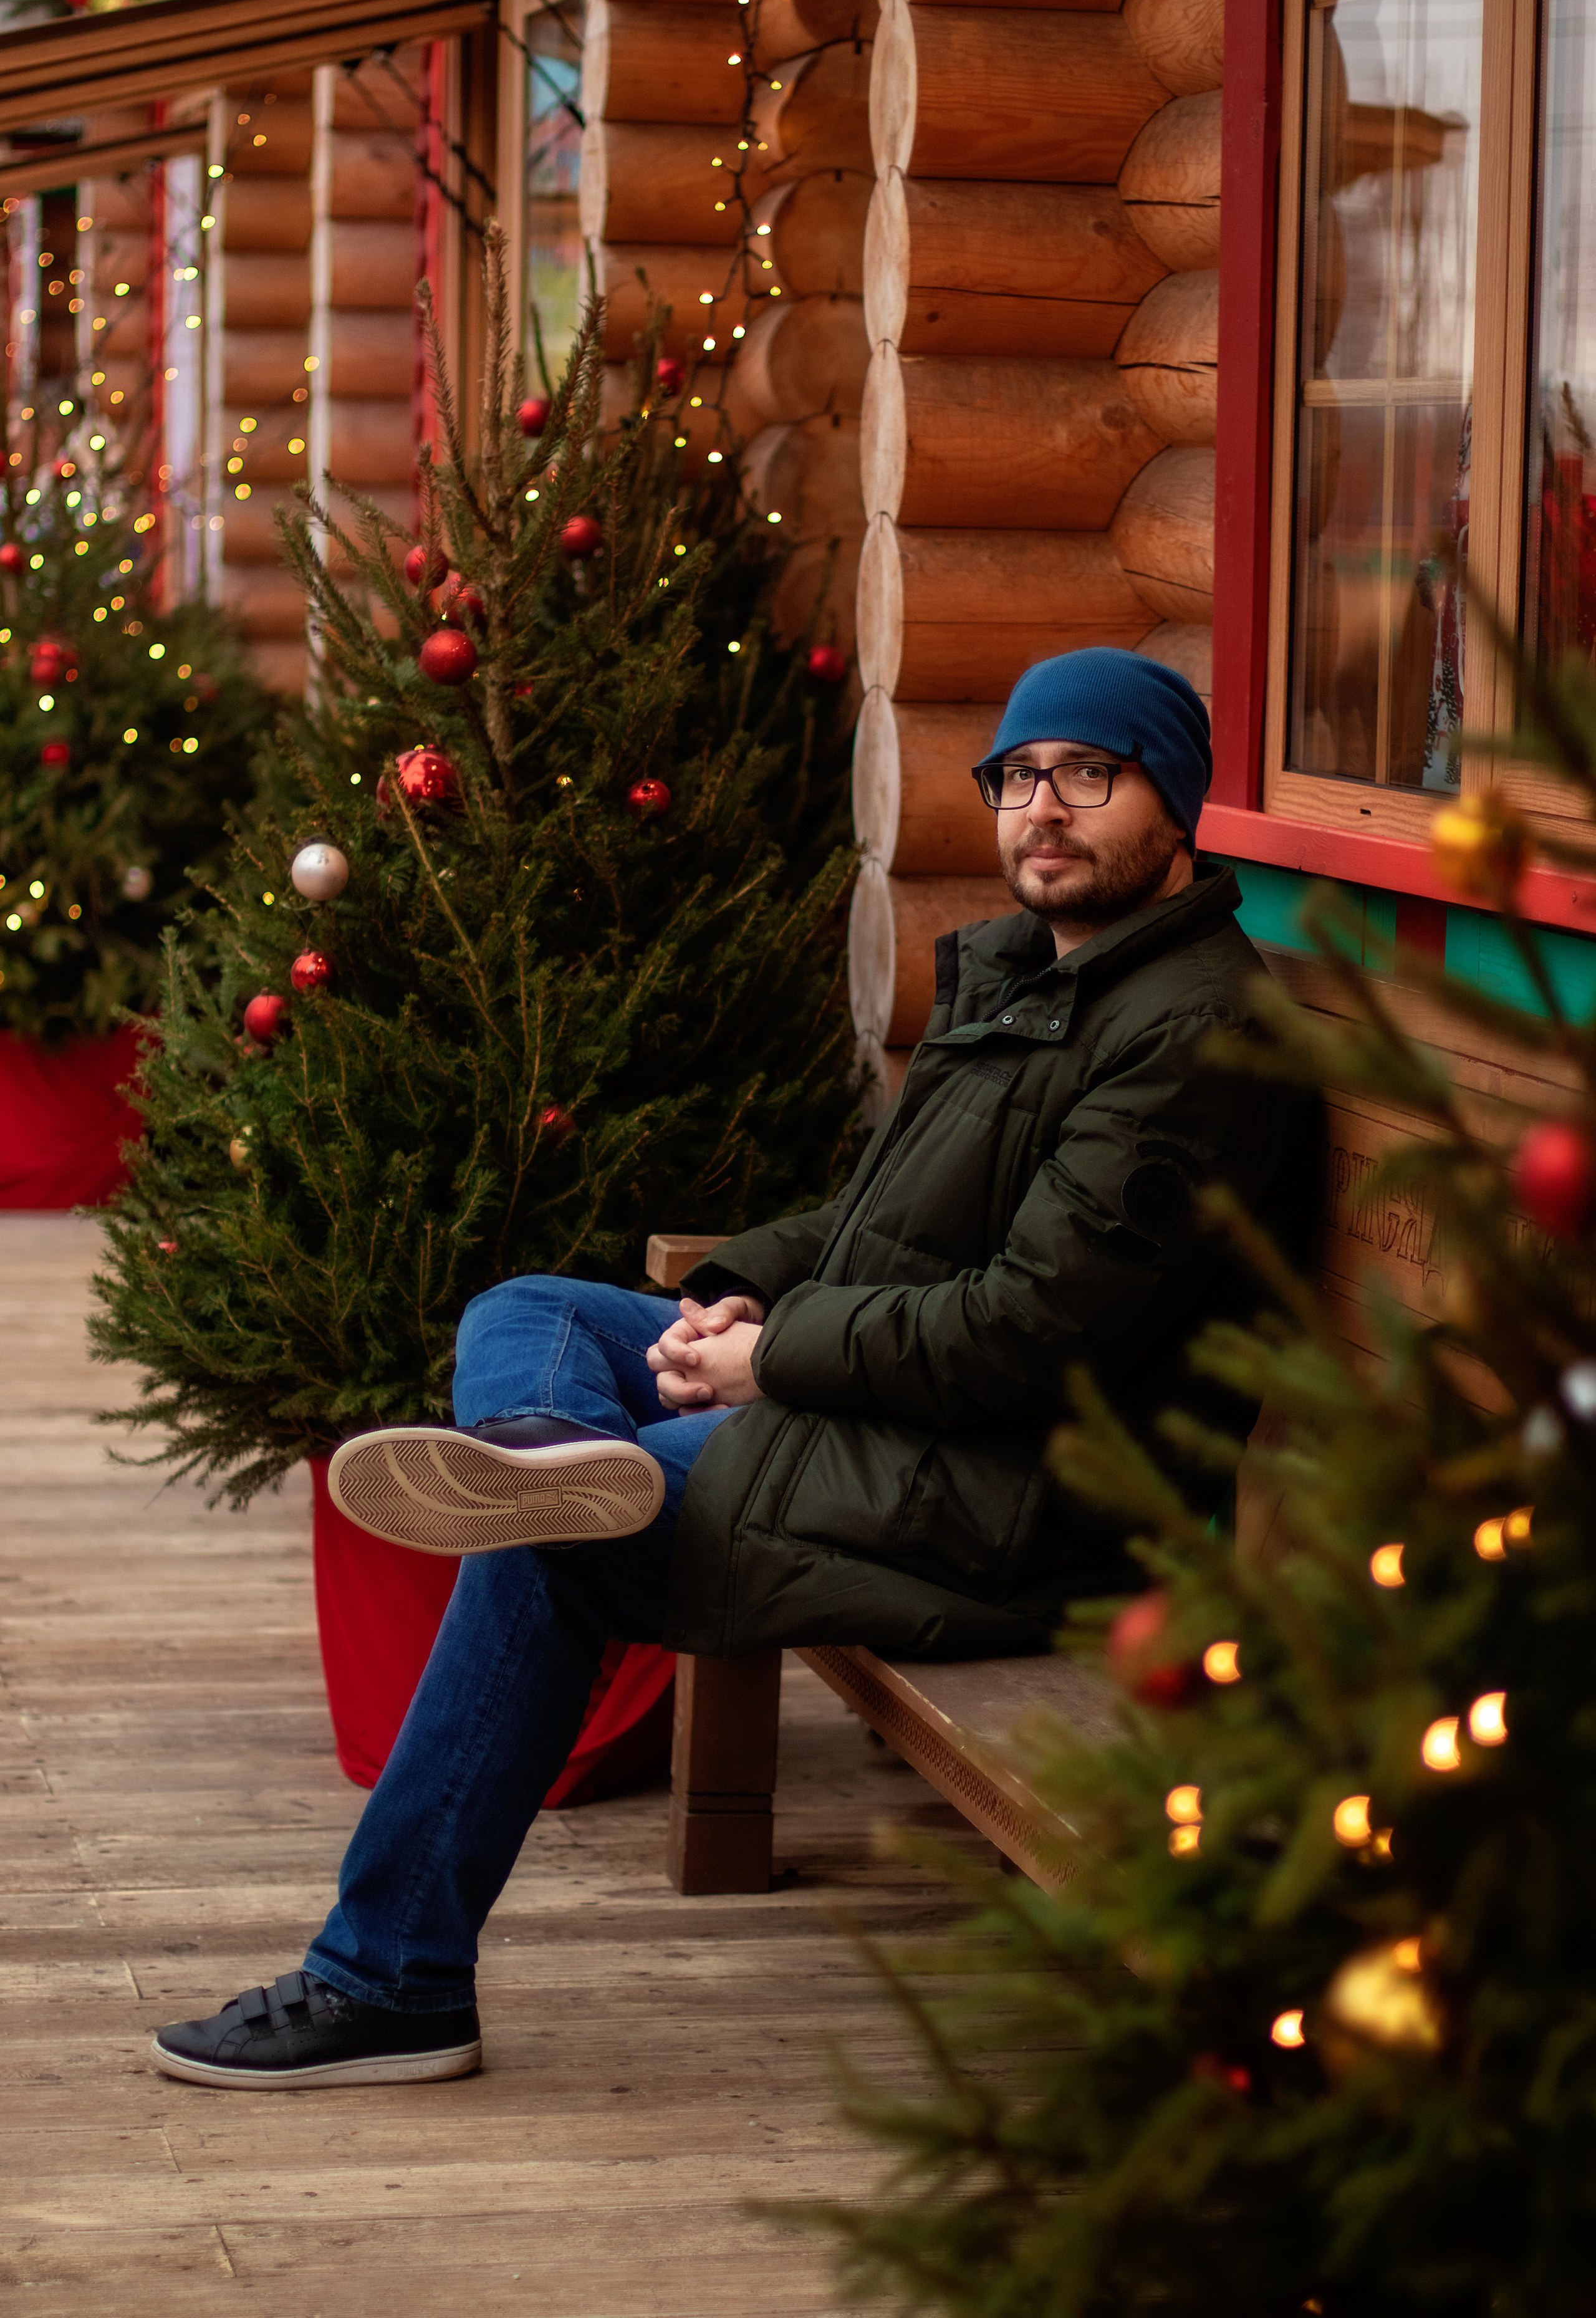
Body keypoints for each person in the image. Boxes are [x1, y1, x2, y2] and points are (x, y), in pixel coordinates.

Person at [150, 647, 1315, 2091]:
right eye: (1019, 776)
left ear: (1174, 804)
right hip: (886, 1420)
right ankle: (541, 1449)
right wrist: (733, 1289)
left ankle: (389, 1980)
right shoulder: (1031, 979)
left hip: (1020, 1503)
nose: (1044, 809)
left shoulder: (1186, 1037)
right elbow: (869, 1221)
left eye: (1091, 774)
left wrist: (770, 1363)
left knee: (546, 1548)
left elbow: (1034, 1334)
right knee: (534, 1310)